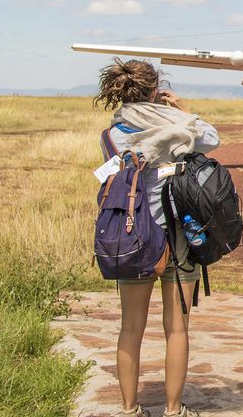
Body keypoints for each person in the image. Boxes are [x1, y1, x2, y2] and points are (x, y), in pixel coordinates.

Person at [94, 58, 220, 417]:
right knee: (177, 328)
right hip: (177, 239)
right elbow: (212, 139)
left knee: (130, 328)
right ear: (155, 90)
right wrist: (182, 109)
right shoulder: (176, 127)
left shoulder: (112, 135)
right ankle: (173, 409)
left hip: (130, 238)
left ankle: (130, 408)